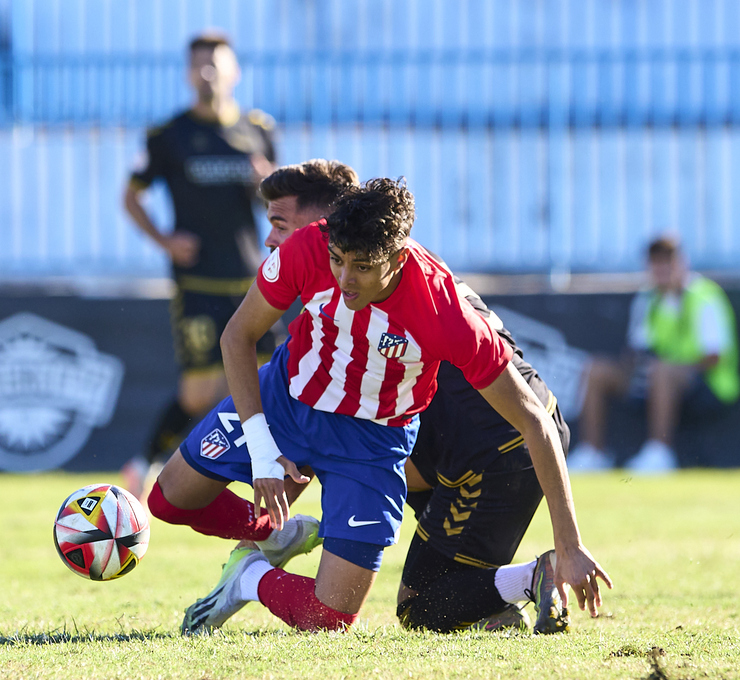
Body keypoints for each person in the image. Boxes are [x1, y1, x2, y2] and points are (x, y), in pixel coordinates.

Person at [146, 177, 610, 633]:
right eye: (338, 261)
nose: (346, 279)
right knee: (168, 502)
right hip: (287, 398)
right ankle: (279, 534)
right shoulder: (308, 246)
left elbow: (534, 420)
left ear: (399, 257)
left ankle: (248, 576)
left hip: (370, 440)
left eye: (363, 266)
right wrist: (263, 447)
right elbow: (237, 336)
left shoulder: (444, 311)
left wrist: (568, 543)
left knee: (329, 619)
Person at [120, 32, 279, 500]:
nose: (206, 73)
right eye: (198, 65)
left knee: (274, 380)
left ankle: (270, 472)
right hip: (198, 281)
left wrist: (264, 184)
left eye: (215, 64)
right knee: (197, 392)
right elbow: (131, 197)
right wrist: (164, 240)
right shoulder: (168, 135)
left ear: (234, 72)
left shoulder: (259, 128)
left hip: (254, 279)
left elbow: (278, 202)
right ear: (188, 73)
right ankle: (144, 462)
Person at [566, 236, 739, 474]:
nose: (662, 268)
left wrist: (668, 368)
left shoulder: (704, 296)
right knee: (596, 369)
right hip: (656, 379)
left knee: (662, 371)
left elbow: (714, 357)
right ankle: (593, 453)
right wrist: (636, 366)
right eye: (656, 262)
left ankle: (659, 453)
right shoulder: (648, 299)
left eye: (668, 261)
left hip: (710, 386)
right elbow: (637, 350)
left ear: (682, 262)